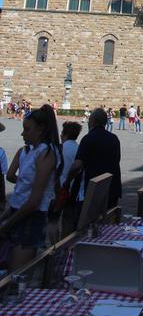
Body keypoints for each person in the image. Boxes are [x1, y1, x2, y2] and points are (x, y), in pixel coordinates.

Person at [0, 104, 61, 270]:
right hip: (18, 214)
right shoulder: (30, 151)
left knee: (17, 276)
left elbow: (34, 201)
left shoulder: (46, 153)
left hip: (29, 220)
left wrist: (6, 225)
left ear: (40, 129)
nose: (22, 133)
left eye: (27, 129)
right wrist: (5, 216)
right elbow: (21, 191)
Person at [67, 107, 122, 209]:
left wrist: (67, 181)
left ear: (92, 121)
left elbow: (78, 164)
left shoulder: (88, 138)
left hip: (93, 190)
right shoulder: (114, 139)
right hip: (111, 187)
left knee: (86, 221)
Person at [60, 121, 82, 186]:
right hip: (75, 185)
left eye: (62, 133)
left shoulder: (61, 148)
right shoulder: (79, 148)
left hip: (62, 184)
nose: (60, 135)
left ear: (66, 135)